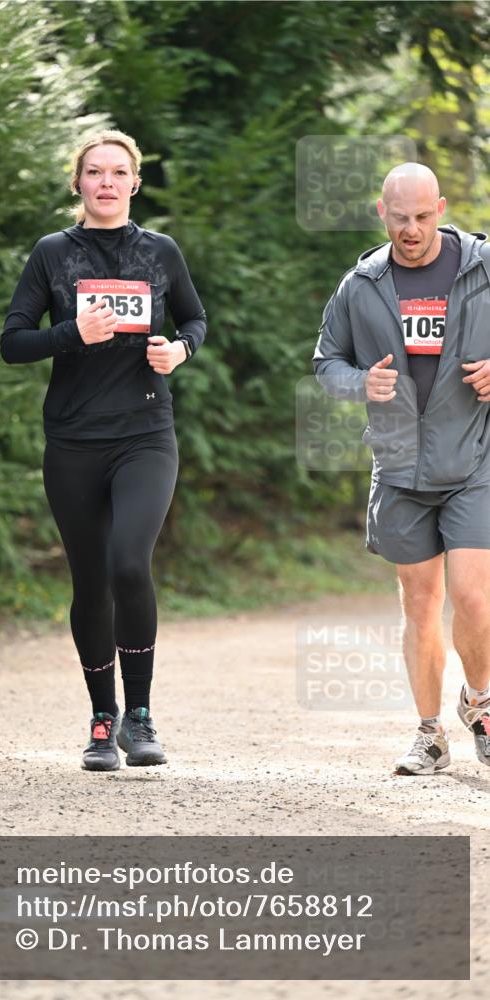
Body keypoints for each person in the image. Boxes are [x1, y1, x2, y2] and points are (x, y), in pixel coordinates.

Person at [0, 129, 206, 771]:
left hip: (145, 436)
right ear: (79, 183)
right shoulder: (52, 254)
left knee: (127, 562)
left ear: (135, 183)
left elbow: (195, 320)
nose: (108, 182)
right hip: (73, 442)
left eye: (119, 172)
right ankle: (101, 719)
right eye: (95, 172)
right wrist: (70, 333)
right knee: (91, 582)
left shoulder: (161, 252)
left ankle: (140, 717)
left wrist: (180, 350)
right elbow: (12, 342)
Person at [313, 162, 490, 775]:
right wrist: (362, 382)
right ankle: (430, 734)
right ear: (380, 213)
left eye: (422, 216)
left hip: (473, 460)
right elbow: (326, 361)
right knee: (419, 604)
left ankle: (480, 702)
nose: (411, 229)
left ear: (440, 208)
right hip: (400, 467)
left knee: (472, 595)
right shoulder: (361, 284)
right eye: (399, 217)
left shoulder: (483, 267)